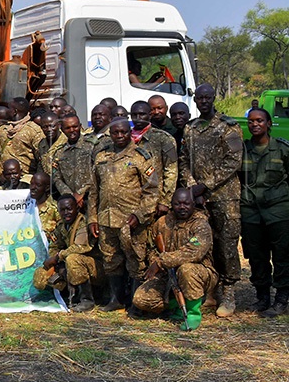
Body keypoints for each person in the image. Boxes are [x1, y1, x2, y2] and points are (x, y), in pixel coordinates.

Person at [179, 84, 243, 317]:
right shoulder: (191, 128)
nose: (203, 101)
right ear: (195, 100)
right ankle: (211, 289)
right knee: (204, 243)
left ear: (214, 98)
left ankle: (229, 291)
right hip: (198, 198)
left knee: (226, 244)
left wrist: (205, 185)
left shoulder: (228, 126)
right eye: (199, 98)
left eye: (207, 97)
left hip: (225, 196)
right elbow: (184, 159)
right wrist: (191, 187)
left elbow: (234, 160)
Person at [88, 118, 159, 312]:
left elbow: (152, 190)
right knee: (110, 259)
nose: (120, 136)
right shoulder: (102, 155)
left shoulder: (140, 156)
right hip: (106, 218)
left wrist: (140, 215)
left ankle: (135, 302)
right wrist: (92, 218)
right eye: (115, 133)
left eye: (124, 133)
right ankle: (116, 299)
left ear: (130, 133)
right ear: (110, 134)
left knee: (135, 259)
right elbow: (94, 189)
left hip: (131, 220)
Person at [133, 189, 218, 331]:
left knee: (187, 269)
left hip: (200, 273)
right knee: (140, 299)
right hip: (168, 275)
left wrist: (161, 261)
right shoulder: (162, 223)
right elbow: (151, 248)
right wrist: (156, 260)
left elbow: (193, 252)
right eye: (178, 204)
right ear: (172, 204)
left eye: (186, 203)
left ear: (193, 204)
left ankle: (192, 313)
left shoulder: (200, 224)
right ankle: (176, 303)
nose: (182, 207)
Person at [239, 107, 289, 316]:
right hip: (251, 212)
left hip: (278, 211)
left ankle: (281, 298)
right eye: (251, 121)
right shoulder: (243, 150)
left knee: (282, 255)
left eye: (259, 120)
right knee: (257, 256)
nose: (255, 124)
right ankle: (262, 297)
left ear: (269, 124)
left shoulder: (282, 149)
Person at [46, 195, 100, 312]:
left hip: (96, 268)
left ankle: (87, 300)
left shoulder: (83, 223)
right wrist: (54, 260)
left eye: (69, 209)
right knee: (43, 272)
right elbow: (54, 246)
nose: (66, 213)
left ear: (77, 207)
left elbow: (79, 247)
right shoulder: (62, 226)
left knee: (72, 259)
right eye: (62, 210)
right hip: (75, 266)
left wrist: (57, 257)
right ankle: (67, 295)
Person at [130, 100, 178, 219]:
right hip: (131, 201)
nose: (138, 118)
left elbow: (171, 171)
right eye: (135, 115)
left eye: (142, 114)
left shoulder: (164, 139)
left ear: (149, 115)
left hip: (155, 203)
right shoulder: (125, 139)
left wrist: (165, 201)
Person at [51, 114, 93, 205]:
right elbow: (56, 177)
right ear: (62, 129)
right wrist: (69, 196)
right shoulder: (59, 152)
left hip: (91, 198)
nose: (72, 130)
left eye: (75, 126)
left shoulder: (92, 147)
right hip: (70, 203)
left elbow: (97, 171)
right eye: (68, 128)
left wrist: (81, 193)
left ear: (80, 126)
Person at [30, 171, 59, 240]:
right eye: (31, 184)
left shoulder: (55, 209)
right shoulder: (25, 207)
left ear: (47, 188)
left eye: (38, 185)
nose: (32, 187)